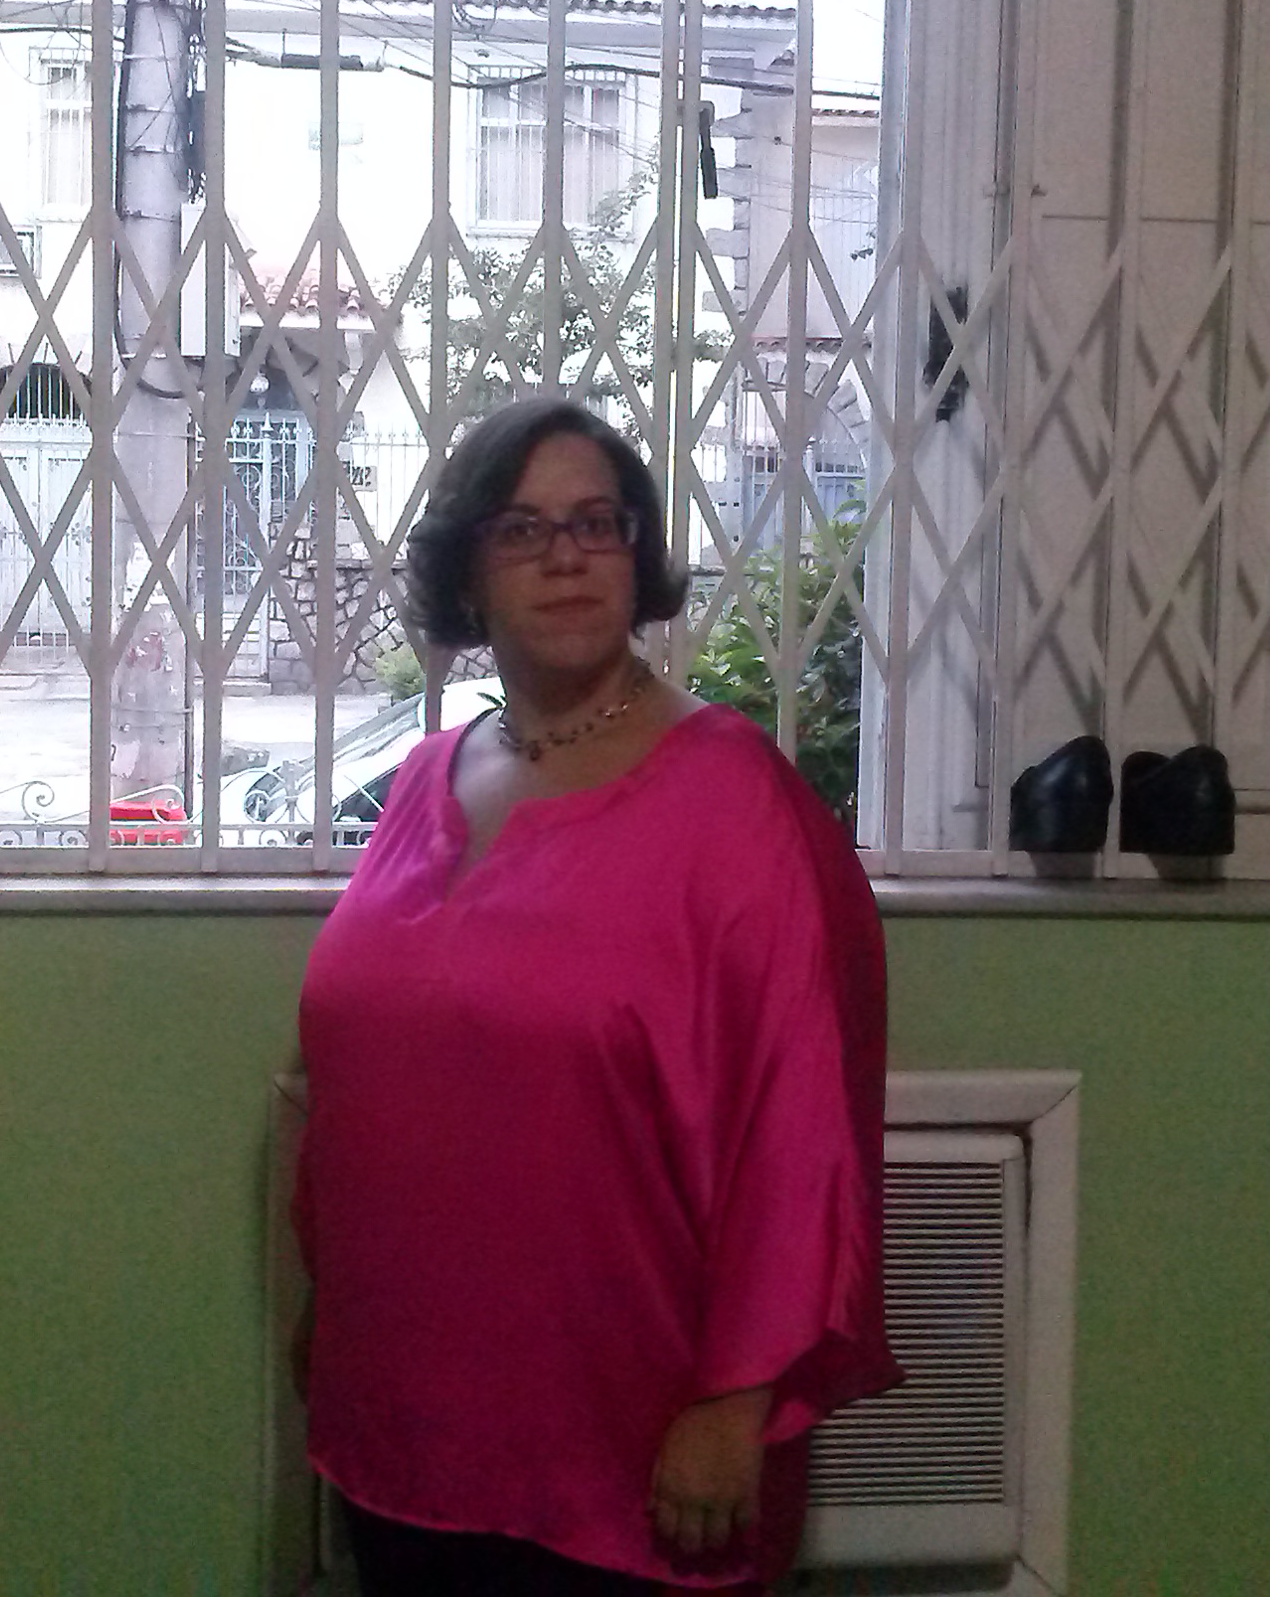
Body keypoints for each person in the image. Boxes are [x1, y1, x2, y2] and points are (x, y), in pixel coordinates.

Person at [293, 397, 900, 1595]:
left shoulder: (734, 801)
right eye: (522, 529)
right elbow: (359, 1078)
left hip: (630, 1440)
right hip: (401, 1422)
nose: (565, 555)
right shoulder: (423, 779)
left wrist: (733, 1400)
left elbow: (802, 1126)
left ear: (638, 552)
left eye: (596, 523)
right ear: (468, 571)